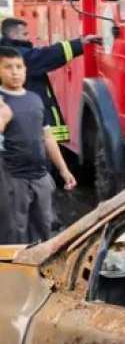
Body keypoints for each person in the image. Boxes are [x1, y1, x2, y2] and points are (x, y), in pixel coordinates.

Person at [0, 47, 76, 245]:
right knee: (14, 232)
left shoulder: (35, 99)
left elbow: (48, 137)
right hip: (12, 177)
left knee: (44, 226)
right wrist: (3, 120)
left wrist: (63, 169)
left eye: (19, 67)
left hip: (40, 175)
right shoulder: (1, 103)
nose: (15, 72)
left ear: (26, 70)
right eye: (8, 67)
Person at [1, 17, 102, 144]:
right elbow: (46, 56)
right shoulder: (16, 55)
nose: (28, 37)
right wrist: (79, 43)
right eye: (25, 34)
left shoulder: (9, 53)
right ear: (13, 35)